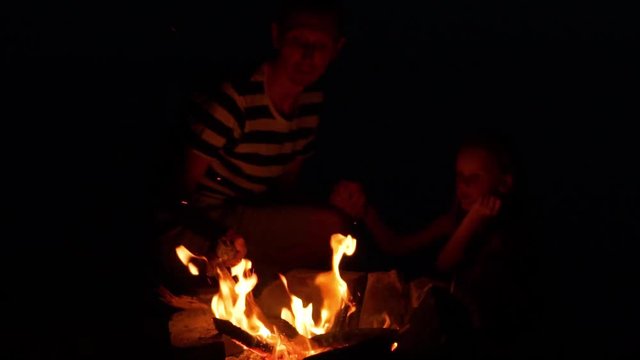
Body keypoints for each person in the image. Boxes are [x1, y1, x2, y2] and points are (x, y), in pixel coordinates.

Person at [159, 0, 350, 292]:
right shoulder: (236, 101)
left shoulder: (311, 104)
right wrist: (217, 234)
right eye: (298, 40)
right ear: (277, 37)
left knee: (331, 228)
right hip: (198, 223)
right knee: (220, 272)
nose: (308, 56)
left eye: (320, 46)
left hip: (243, 220)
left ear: (336, 49)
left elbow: (284, 190)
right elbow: (176, 194)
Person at [332, 133, 532, 357]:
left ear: (504, 183)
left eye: (474, 178)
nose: (463, 186)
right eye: (459, 176)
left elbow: (445, 264)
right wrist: (365, 212)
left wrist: (473, 220)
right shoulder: (453, 219)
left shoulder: (509, 235)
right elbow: (397, 246)